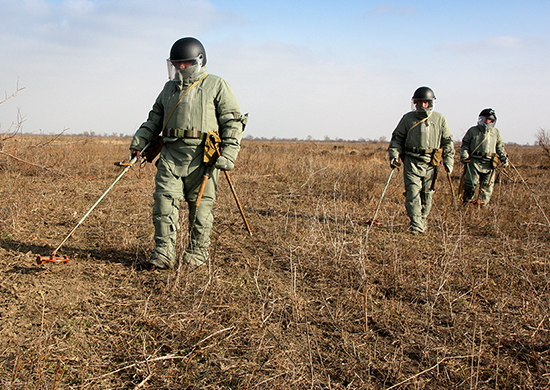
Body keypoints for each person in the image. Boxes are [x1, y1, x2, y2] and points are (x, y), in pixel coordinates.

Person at [129, 37, 245, 269]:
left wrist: (229, 153)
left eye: (186, 64)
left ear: (199, 61)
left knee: (200, 209)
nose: (181, 68)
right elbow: (154, 119)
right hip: (171, 156)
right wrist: (139, 142)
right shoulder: (168, 89)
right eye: (176, 64)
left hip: (204, 159)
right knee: (164, 205)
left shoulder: (217, 85)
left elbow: (232, 122)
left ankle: (196, 255)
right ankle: (162, 254)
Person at [388, 86, 455, 234]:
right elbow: (397, 138)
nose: (421, 105)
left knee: (427, 193)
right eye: (418, 102)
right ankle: (416, 224)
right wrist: (394, 155)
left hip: (432, 162)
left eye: (424, 102)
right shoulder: (407, 118)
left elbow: (447, 142)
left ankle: (422, 218)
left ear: (430, 103)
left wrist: (448, 161)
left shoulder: (439, 119)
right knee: (412, 192)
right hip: (412, 160)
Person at [459, 108, 508, 206]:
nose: (486, 121)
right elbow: (465, 145)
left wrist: (504, 158)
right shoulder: (473, 130)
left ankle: (483, 205)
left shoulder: (496, 132)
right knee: (471, 184)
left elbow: (500, 147)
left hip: (489, 163)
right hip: (474, 161)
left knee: (487, 186)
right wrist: (464, 155)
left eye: (489, 119)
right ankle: (467, 203)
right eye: (484, 118)